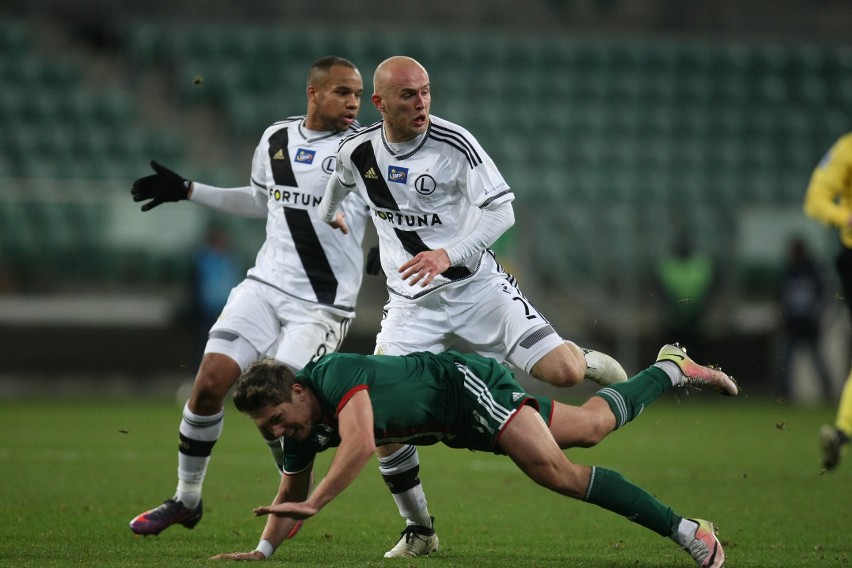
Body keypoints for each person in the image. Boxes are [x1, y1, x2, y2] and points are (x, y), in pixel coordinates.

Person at [316, 56, 628, 553]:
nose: (421, 103)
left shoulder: (454, 143)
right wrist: (334, 216)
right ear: (379, 103)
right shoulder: (358, 150)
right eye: (408, 95)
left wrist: (447, 254)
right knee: (380, 417)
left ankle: (583, 357)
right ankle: (420, 530)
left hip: (478, 289)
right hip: (411, 306)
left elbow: (501, 211)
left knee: (564, 375)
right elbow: (339, 181)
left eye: (426, 91)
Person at [127, 56, 382, 537]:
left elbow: (392, 209)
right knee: (208, 384)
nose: (354, 102)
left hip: (321, 305)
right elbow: (263, 201)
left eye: (357, 93)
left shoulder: (366, 148)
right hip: (264, 285)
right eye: (343, 92)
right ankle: (186, 499)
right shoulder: (276, 139)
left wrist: (384, 253)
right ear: (314, 93)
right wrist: (189, 189)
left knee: (281, 407)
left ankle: (291, 497)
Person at [211, 344, 737, 567]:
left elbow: (358, 446)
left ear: (297, 391)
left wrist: (316, 504)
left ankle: (692, 533)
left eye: (278, 418)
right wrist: (263, 552)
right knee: (593, 427)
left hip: (465, 388)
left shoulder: (333, 375)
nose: (278, 432)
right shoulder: (295, 430)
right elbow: (290, 494)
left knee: (558, 474)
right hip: (453, 424)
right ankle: (672, 367)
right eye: (268, 428)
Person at [804, 132, 852, 470]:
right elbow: (816, 200)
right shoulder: (847, 149)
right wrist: (844, 217)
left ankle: (843, 432)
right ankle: (843, 432)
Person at [777, 236, 834, 402]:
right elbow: (781, 297)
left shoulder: (813, 270)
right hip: (793, 324)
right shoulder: (789, 270)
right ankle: (783, 395)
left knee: (817, 361)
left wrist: (817, 314)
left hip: (809, 324)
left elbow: (825, 294)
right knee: (785, 362)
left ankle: (828, 393)